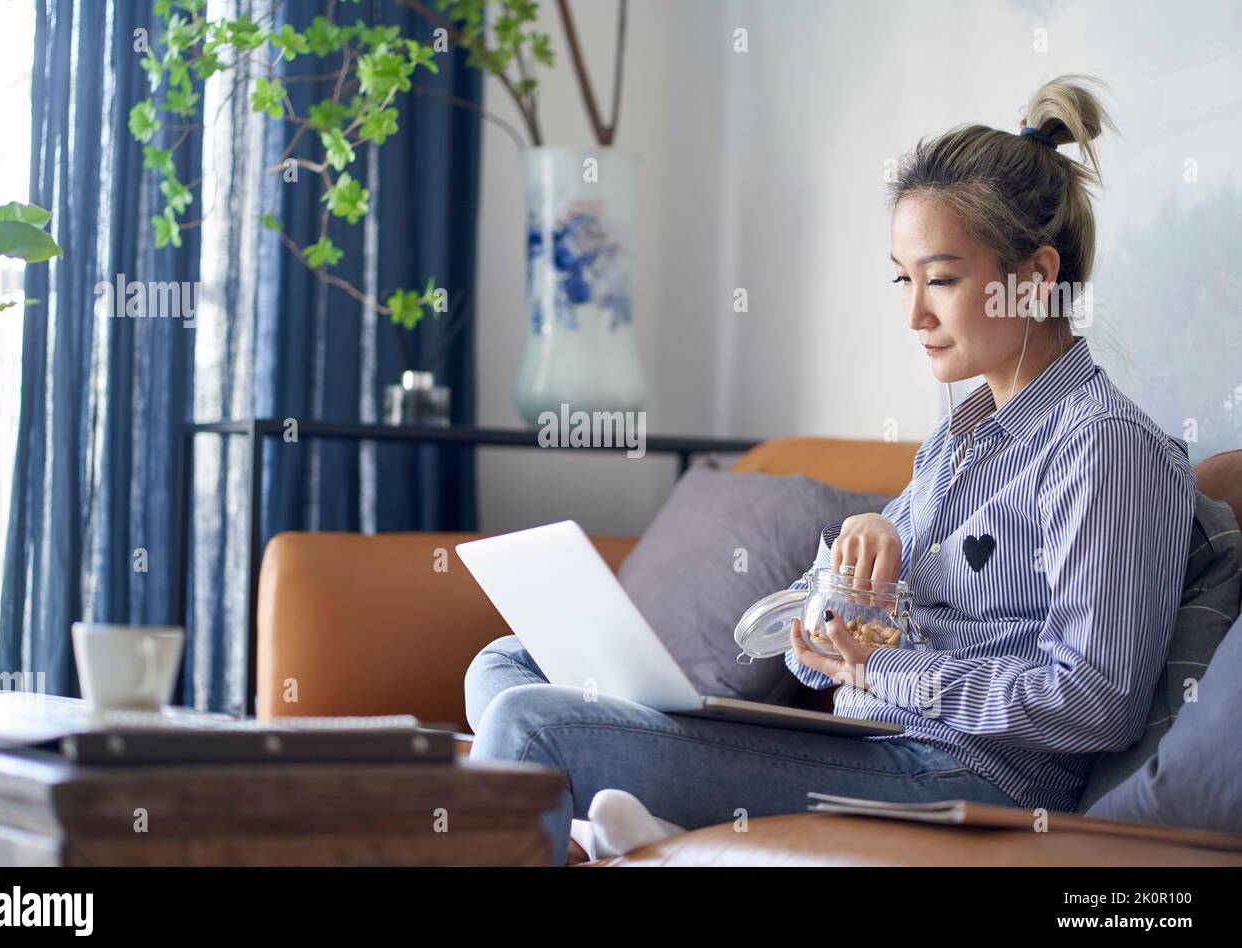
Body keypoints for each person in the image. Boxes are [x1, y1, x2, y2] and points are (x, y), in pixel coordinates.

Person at [463, 74, 1197, 866]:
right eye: (902, 279)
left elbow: (1099, 701)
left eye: (940, 280)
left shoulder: (1104, 447)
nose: (913, 314)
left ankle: (625, 819)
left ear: (1037, 274)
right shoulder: (960, 440)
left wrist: (891, 671)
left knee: (528, 725)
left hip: (968, 776)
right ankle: (641, 819)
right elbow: (814, 643)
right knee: (505, 664)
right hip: (876, 738)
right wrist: (852, 553)